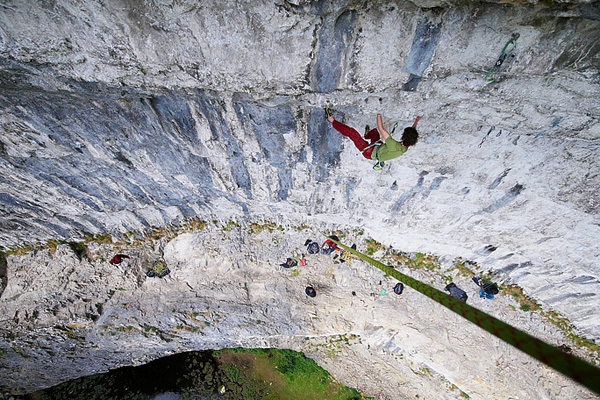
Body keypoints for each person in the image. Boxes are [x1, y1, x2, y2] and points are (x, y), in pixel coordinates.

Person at [326, 108, 420, 170]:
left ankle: (332, 120)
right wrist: (416, 121)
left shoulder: (394, 145)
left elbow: (381, 128)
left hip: (369, 152)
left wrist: (379, 112)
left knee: (352, 133)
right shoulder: (406, 146)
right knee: (374, 133)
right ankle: (367, 135)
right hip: (377, 147)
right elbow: (412, 134)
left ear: (403, 137)